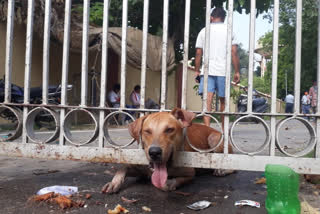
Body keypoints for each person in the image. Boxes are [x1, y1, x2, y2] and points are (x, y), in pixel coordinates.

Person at [194, 7, 240, 127]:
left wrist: (196, 70)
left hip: (207, 70)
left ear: (211, 17)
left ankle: (207, 130)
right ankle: (224, 132)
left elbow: (198, 53)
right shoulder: (229, 31)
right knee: (223, 101)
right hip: (223, 71)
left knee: (207, 101)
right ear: (224, 18)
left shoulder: (204, 31)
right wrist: (237, 72)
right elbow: (234, 52)